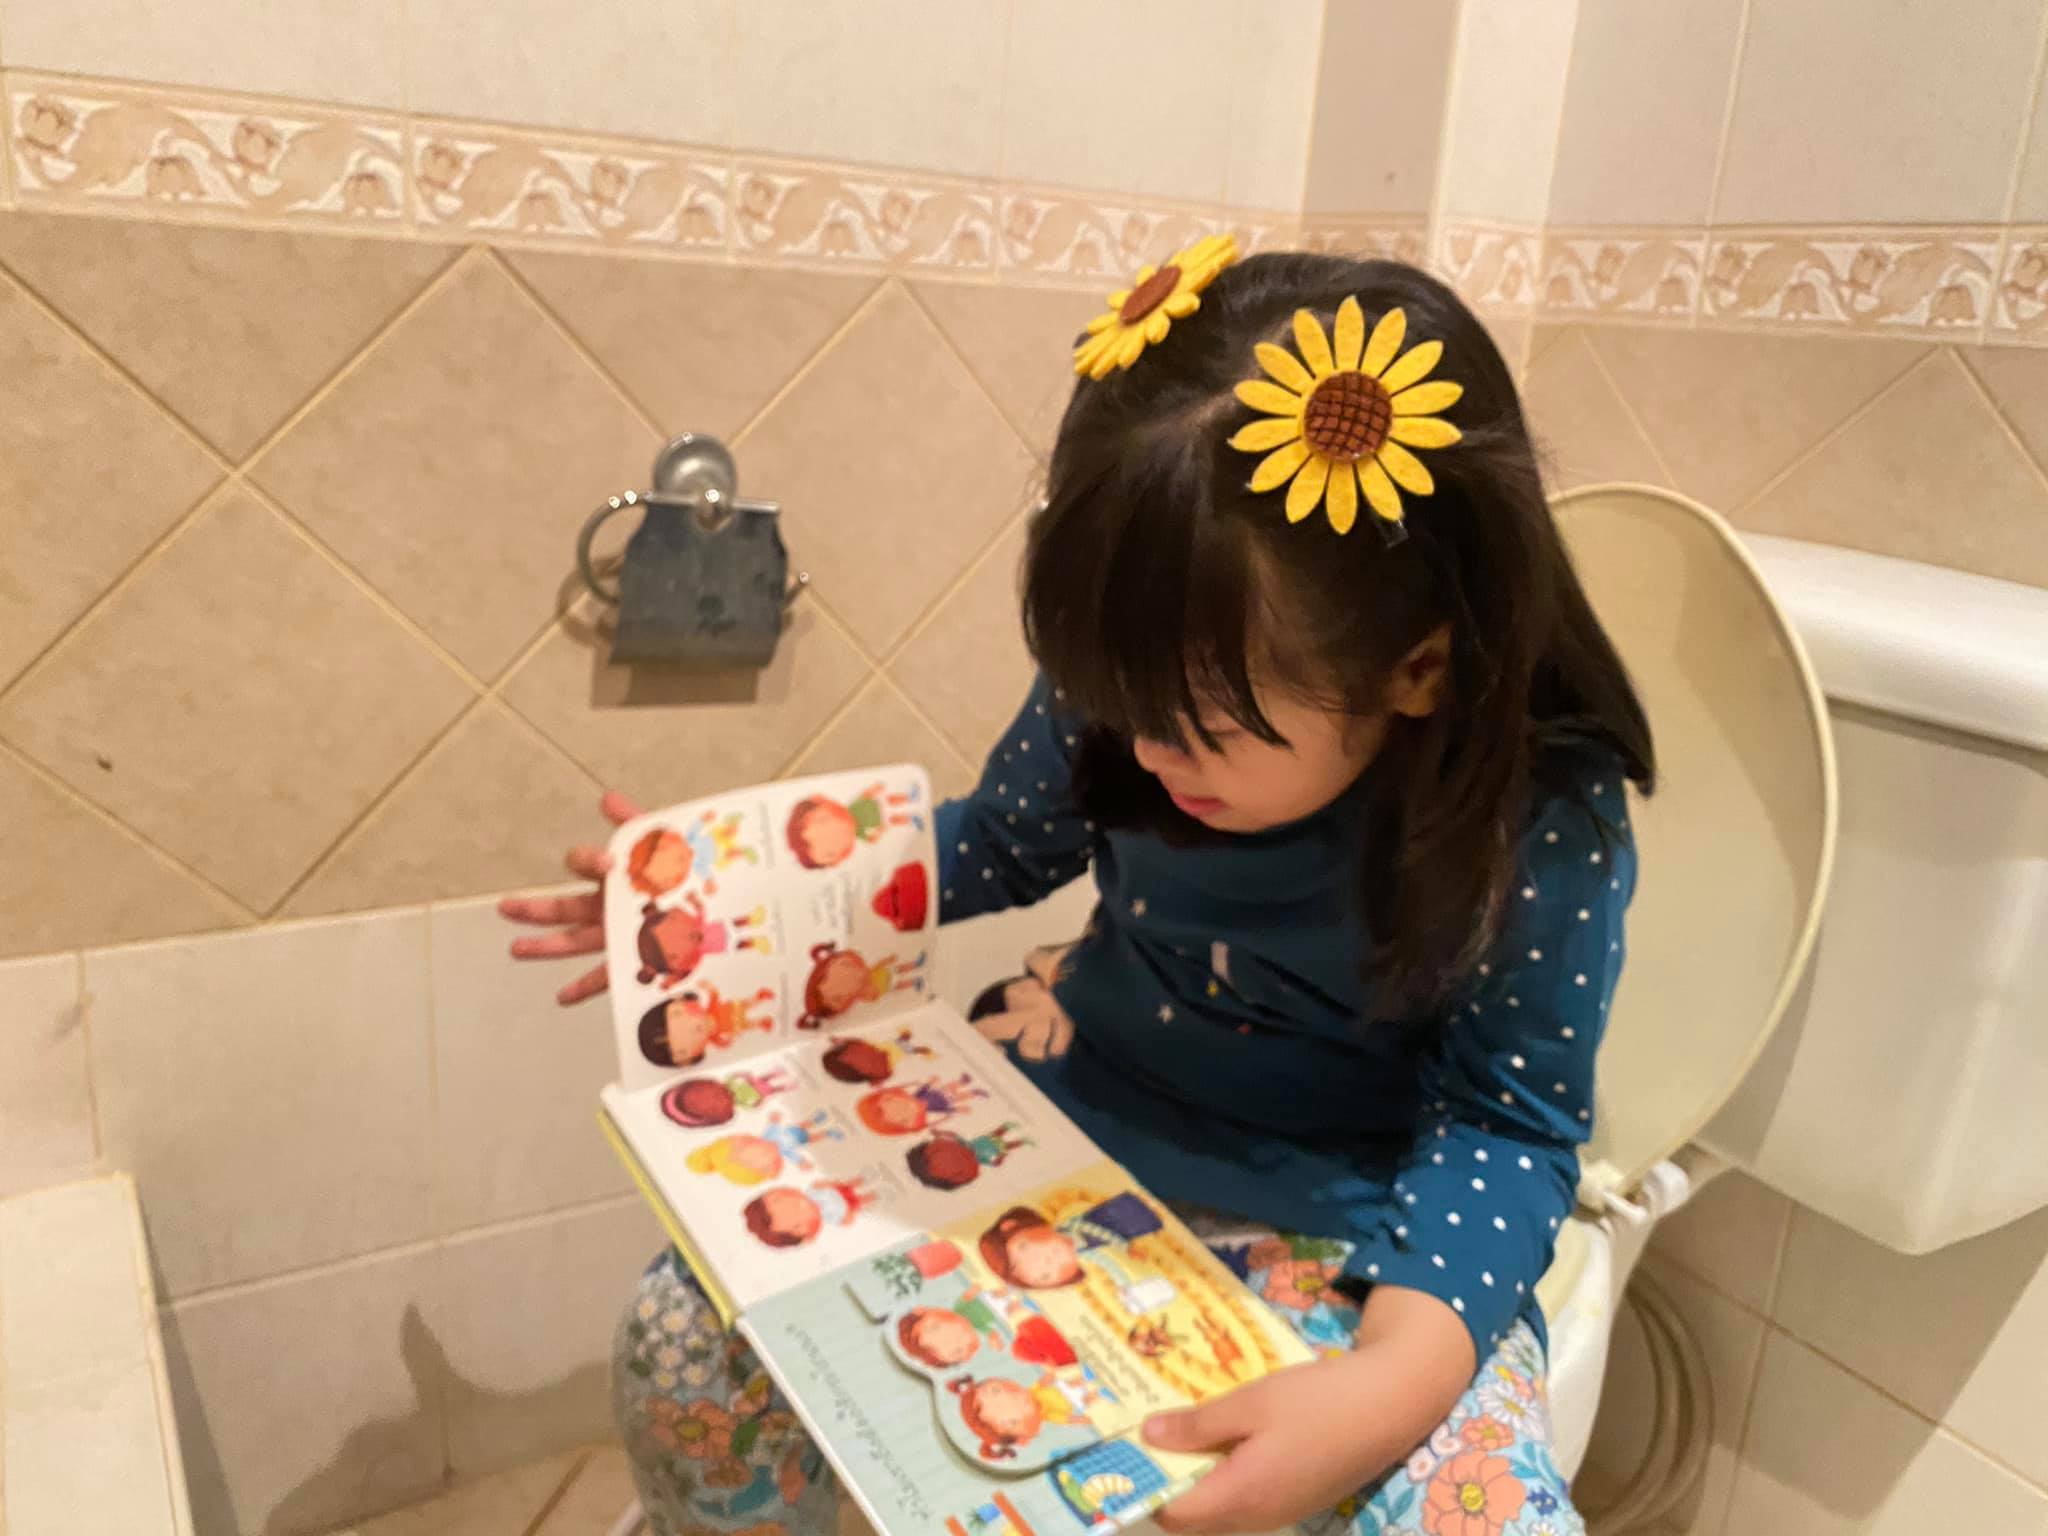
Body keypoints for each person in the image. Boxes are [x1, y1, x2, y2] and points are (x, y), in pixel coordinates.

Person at [499, 243, 1650, 1536]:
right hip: (1071, 1140)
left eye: (1203, 729)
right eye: (1118, 704)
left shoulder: (1538, 813)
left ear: (1418, 669)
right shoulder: (1147, 681)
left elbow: (1505, 1124)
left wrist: (1386, 1383)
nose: (1146, 754)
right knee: (684, 1348)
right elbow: (999, 843)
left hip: (1365, 1226)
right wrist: (714, 903)